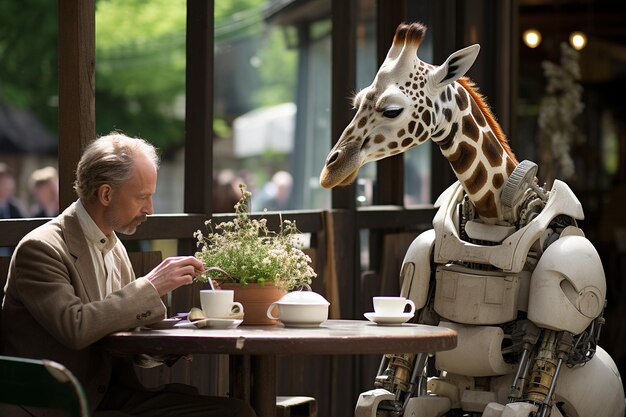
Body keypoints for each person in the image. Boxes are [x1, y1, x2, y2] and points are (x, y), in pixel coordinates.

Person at [1, 133, 256, 417]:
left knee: (236, 411)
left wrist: (172, 343)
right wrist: (151, 285)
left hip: (112, 396)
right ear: (106, 194)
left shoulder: (113, 245)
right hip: (60, 405)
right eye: (143, 197)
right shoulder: (41, 249)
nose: (150, 209)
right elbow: (76, 328)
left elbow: (123, 338)